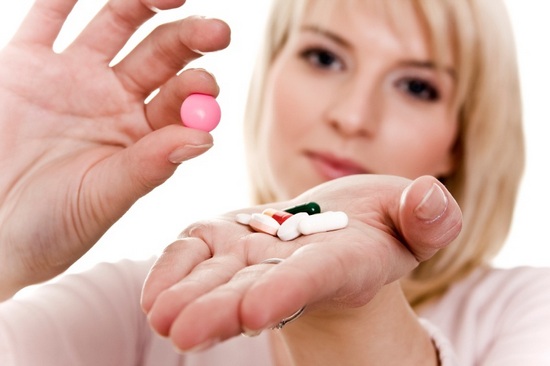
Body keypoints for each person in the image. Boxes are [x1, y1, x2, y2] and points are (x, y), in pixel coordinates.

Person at [0, 1, 548, 366]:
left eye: (416, 86)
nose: (353, 116)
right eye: (324, 56)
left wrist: (352, 304)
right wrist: (7, 243)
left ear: (464, 134)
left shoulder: (526, 311)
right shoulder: (143, 308)